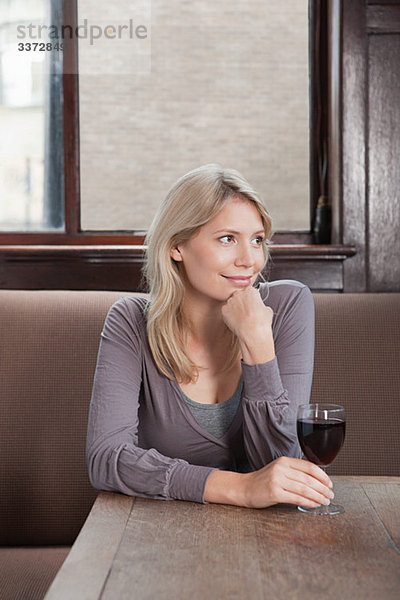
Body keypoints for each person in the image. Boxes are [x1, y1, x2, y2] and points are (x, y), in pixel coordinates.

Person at [86, 164, 334, 509]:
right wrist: (242, 489)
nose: (250, 260)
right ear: (177, 246)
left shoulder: (288, 305)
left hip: (266, 535)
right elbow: (107, 459)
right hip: (158, 533)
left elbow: (280, 462)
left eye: (257, 240)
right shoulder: (130, 322)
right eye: (227, 239)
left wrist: (258, 344)